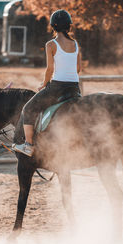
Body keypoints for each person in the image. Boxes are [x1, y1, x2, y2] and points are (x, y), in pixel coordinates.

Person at [12, 9, 82, 157]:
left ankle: (29, 145)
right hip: (75, 88)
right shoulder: (75, 44)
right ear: (69, 26)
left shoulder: (51, 44)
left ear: (53, 26)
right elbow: (78, 68)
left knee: (28, 109)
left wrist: (44, 84)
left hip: (57, 87)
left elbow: (50, 69)